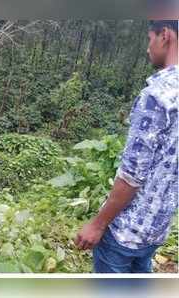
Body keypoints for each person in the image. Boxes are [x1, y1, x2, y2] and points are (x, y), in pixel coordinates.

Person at [74, 20, 178, 273]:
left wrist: (97, 225)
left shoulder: (157, 95)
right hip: (157, 228)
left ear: (165, 35)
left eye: (149, 38)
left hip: (124, 233)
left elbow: (132, 176)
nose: (147, 48)